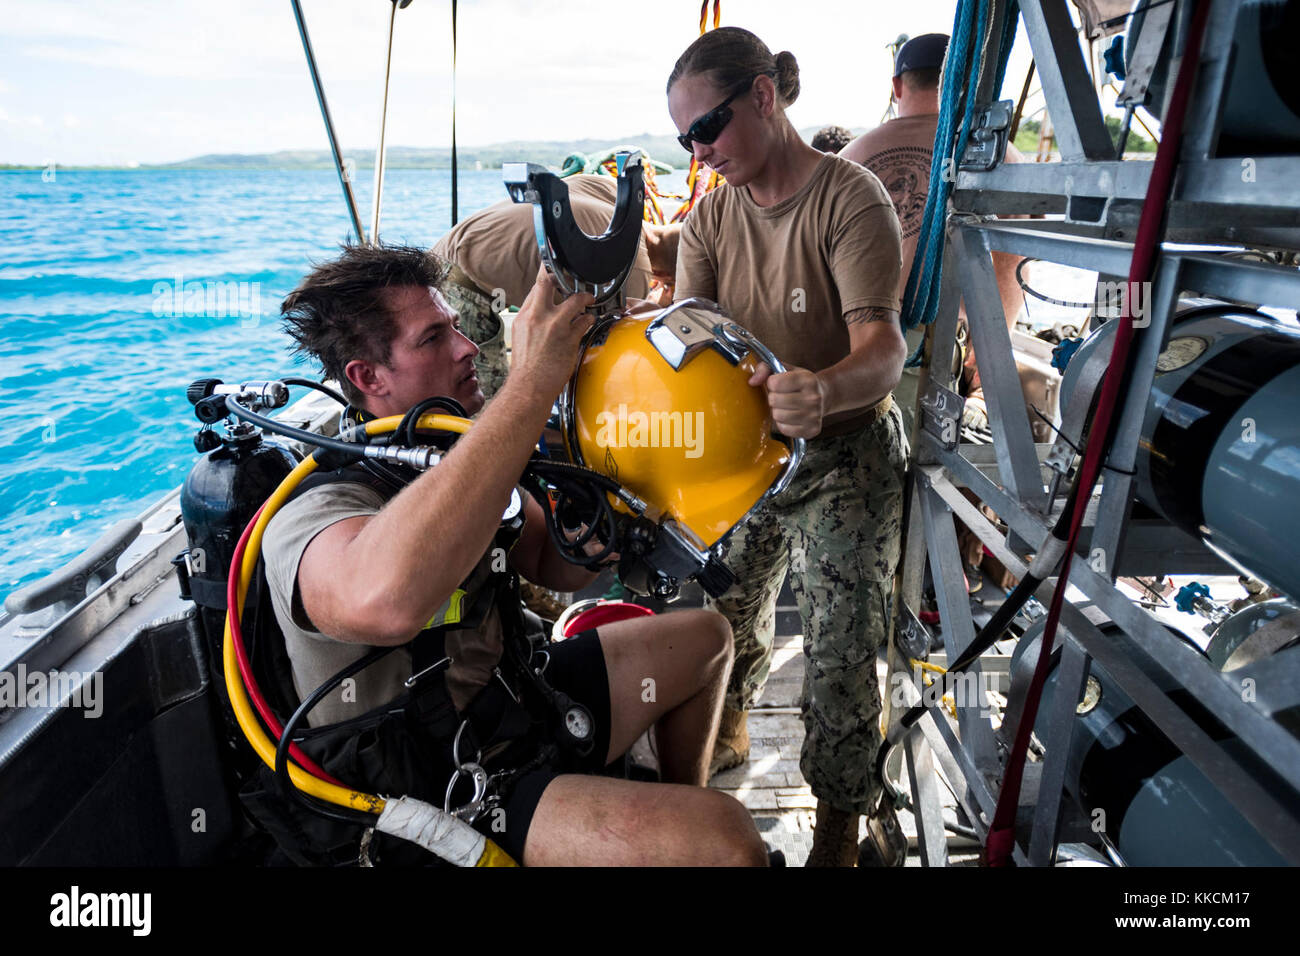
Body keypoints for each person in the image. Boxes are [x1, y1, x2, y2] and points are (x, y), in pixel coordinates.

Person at [259, 243, 767, 866]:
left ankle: (664, 823)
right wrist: (530, 383)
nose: (468, 348)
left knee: (706, 641)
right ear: (369, 377)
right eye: (433, 339)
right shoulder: (317, 508)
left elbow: (558, 566)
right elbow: (384, 603)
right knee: (729, 842)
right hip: (433, 788)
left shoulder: (457, 457)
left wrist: (625, 470)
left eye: (455, 327)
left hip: (516, 703)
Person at [667, 26, 908, 866]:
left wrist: (825, 389)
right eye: (683, 138)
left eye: (708, 128)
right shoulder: (707, 223)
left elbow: (884, 348)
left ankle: (839, 824)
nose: (698, 152)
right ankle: (729, 723)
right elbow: (688, 348)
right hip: (751, 461)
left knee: (843, 650)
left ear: (764, 97)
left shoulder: (852, 199)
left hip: (846, 455)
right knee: (725, 614)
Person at [840, 33, 1031, 438]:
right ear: (965, 84)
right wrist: (983, 378)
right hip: (943, 353)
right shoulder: (1002, 158)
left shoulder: (851, 158)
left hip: (856, 349)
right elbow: (1010, 273)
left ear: (897, 86)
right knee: (929, 475)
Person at [433, 174, 682, 400]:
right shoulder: (631, 269)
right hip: (460, 287)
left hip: (437, 258)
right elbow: (599, 350)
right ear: (663, 276)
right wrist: (656, 309)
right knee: (491, 409)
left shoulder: (611, 193)